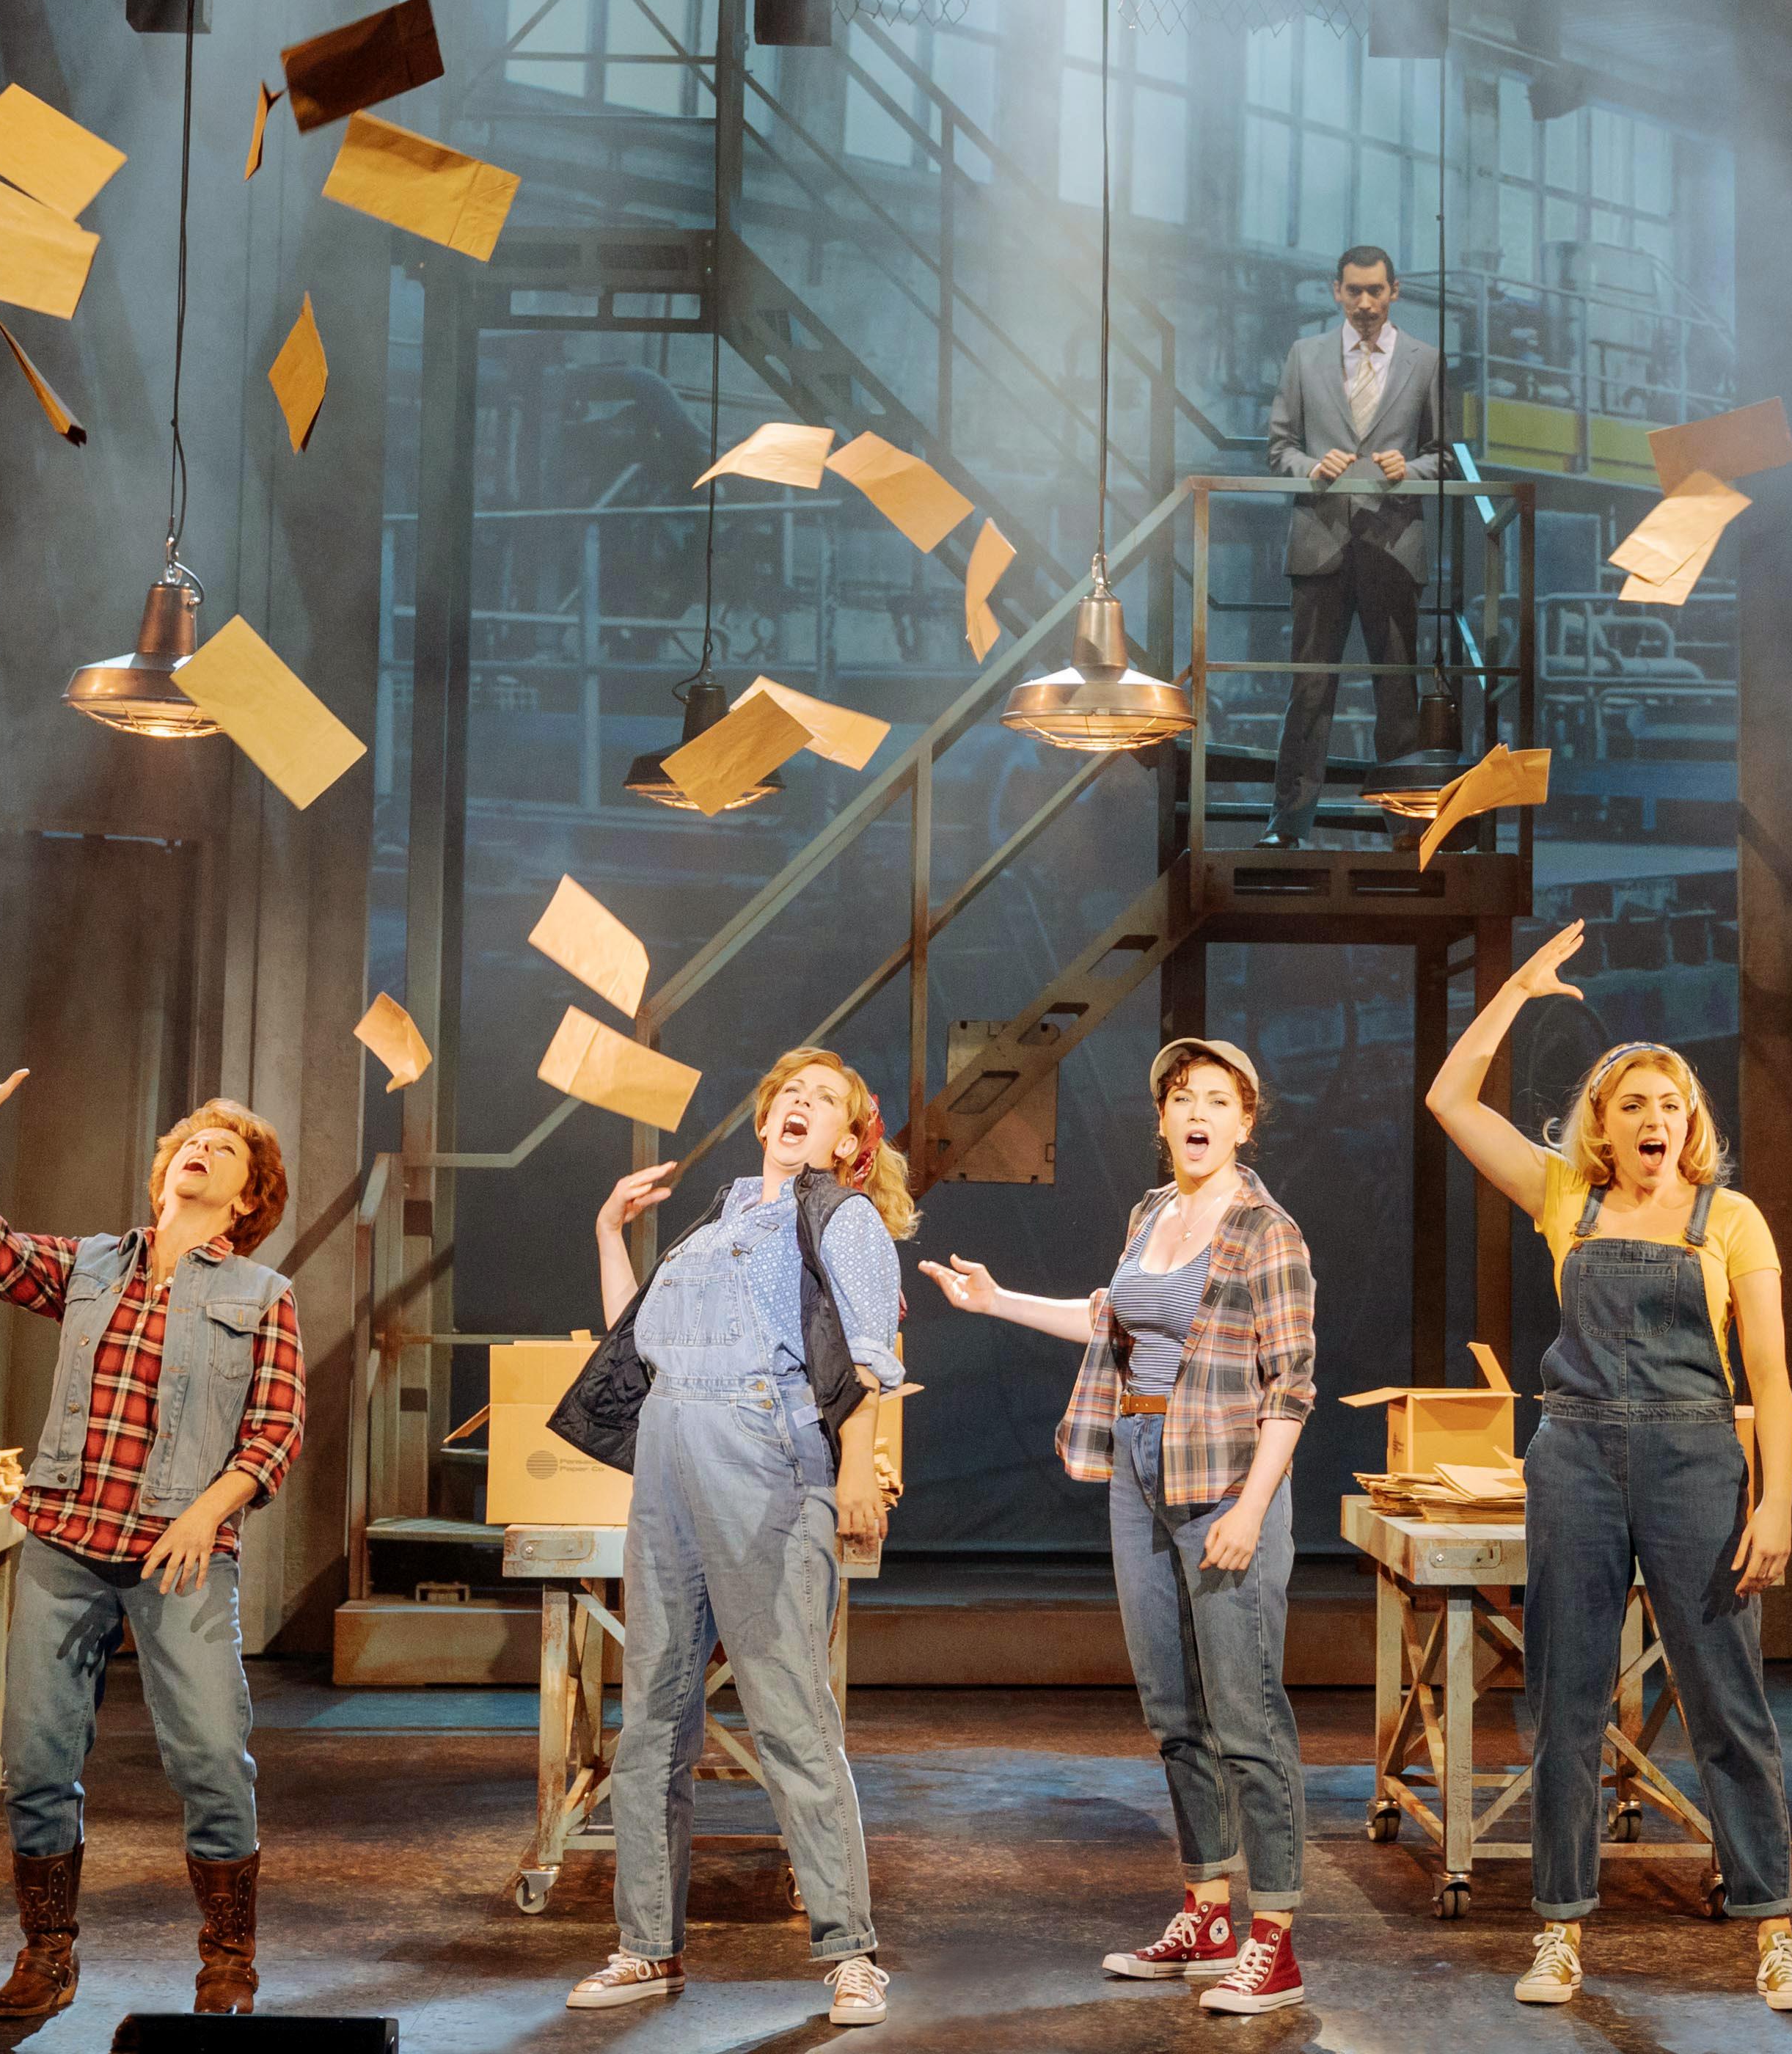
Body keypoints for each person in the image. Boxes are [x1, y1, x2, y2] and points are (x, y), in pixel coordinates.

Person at [1421, 922, 1792, 2014]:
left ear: (1694, 1123)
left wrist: (1776, 1499)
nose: (1656, 1119)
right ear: (1600, 1122)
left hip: (1698, 1458)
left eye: (1671, 1104)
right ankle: (1559, 1930)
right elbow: (1452, 1101)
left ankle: (1772, 1926)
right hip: (1579, 1454)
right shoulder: (1565, 1199)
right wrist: (1516, 989)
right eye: (1633, 1103)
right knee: (1567, 1699)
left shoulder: (1729, 1219)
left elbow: (1774, 1384)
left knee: (1726, 1701)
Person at [921, 1037, 1320, 2011]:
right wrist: (996, 1300)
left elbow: (1293, 1387)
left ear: (1245, 1120)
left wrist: (1254, 1509)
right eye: (1183, 1098)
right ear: (1163, 1119)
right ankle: (1207, 1910)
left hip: (1227, 1480)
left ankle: (1275, 1937)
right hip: (1138, 1469)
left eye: (1217, 1100)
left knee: (1244, 1712)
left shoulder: (1268, 1232)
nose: (1197, 1113)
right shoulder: (1154, 1214)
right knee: (1173, 1710)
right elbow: (1110, 1323)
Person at [0, 1030, 304, 2021]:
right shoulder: (95, 1265)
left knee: (213, 1757)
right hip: (63, 1541)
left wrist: (206, 1515)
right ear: (162, 1172)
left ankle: (228, 1959)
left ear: (250, 1198)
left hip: (178, 1556)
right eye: (191, 1140)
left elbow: (273, 1434)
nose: (201, 1150)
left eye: (226, 1150)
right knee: (38, 1758)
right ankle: (46, 1956)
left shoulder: (265, 1297)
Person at [564, 1050, 911, 2028]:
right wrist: (608, 1232)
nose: (798, 1105)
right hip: (670, 1447)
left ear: (849, 1141)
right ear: (765, 1121)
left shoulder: (845, 1218)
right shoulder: (713, 1227)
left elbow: (872, 1357)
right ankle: (647, 1948)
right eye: (787, 1095)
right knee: (654, 1716)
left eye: (824, 1101)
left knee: (790, 1714)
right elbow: (632, 1346)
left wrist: (854, 1474)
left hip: (769, 1452)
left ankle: (852, 1953)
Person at [1263, 243, 1452, 846]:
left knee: (1396, 693)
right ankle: (1288, 825)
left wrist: (1413, 469)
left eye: (1376, 291)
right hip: (1321, 543)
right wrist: (1314, 468)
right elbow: (1279, 450)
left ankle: (1403, 827)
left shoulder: (1426, 360)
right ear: (1336, 292)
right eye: (1354, 291)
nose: (1366, 303)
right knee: (1310, 691)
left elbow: (1445, 455)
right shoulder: (1305, 356)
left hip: (1394, 545)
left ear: (1395, 291)